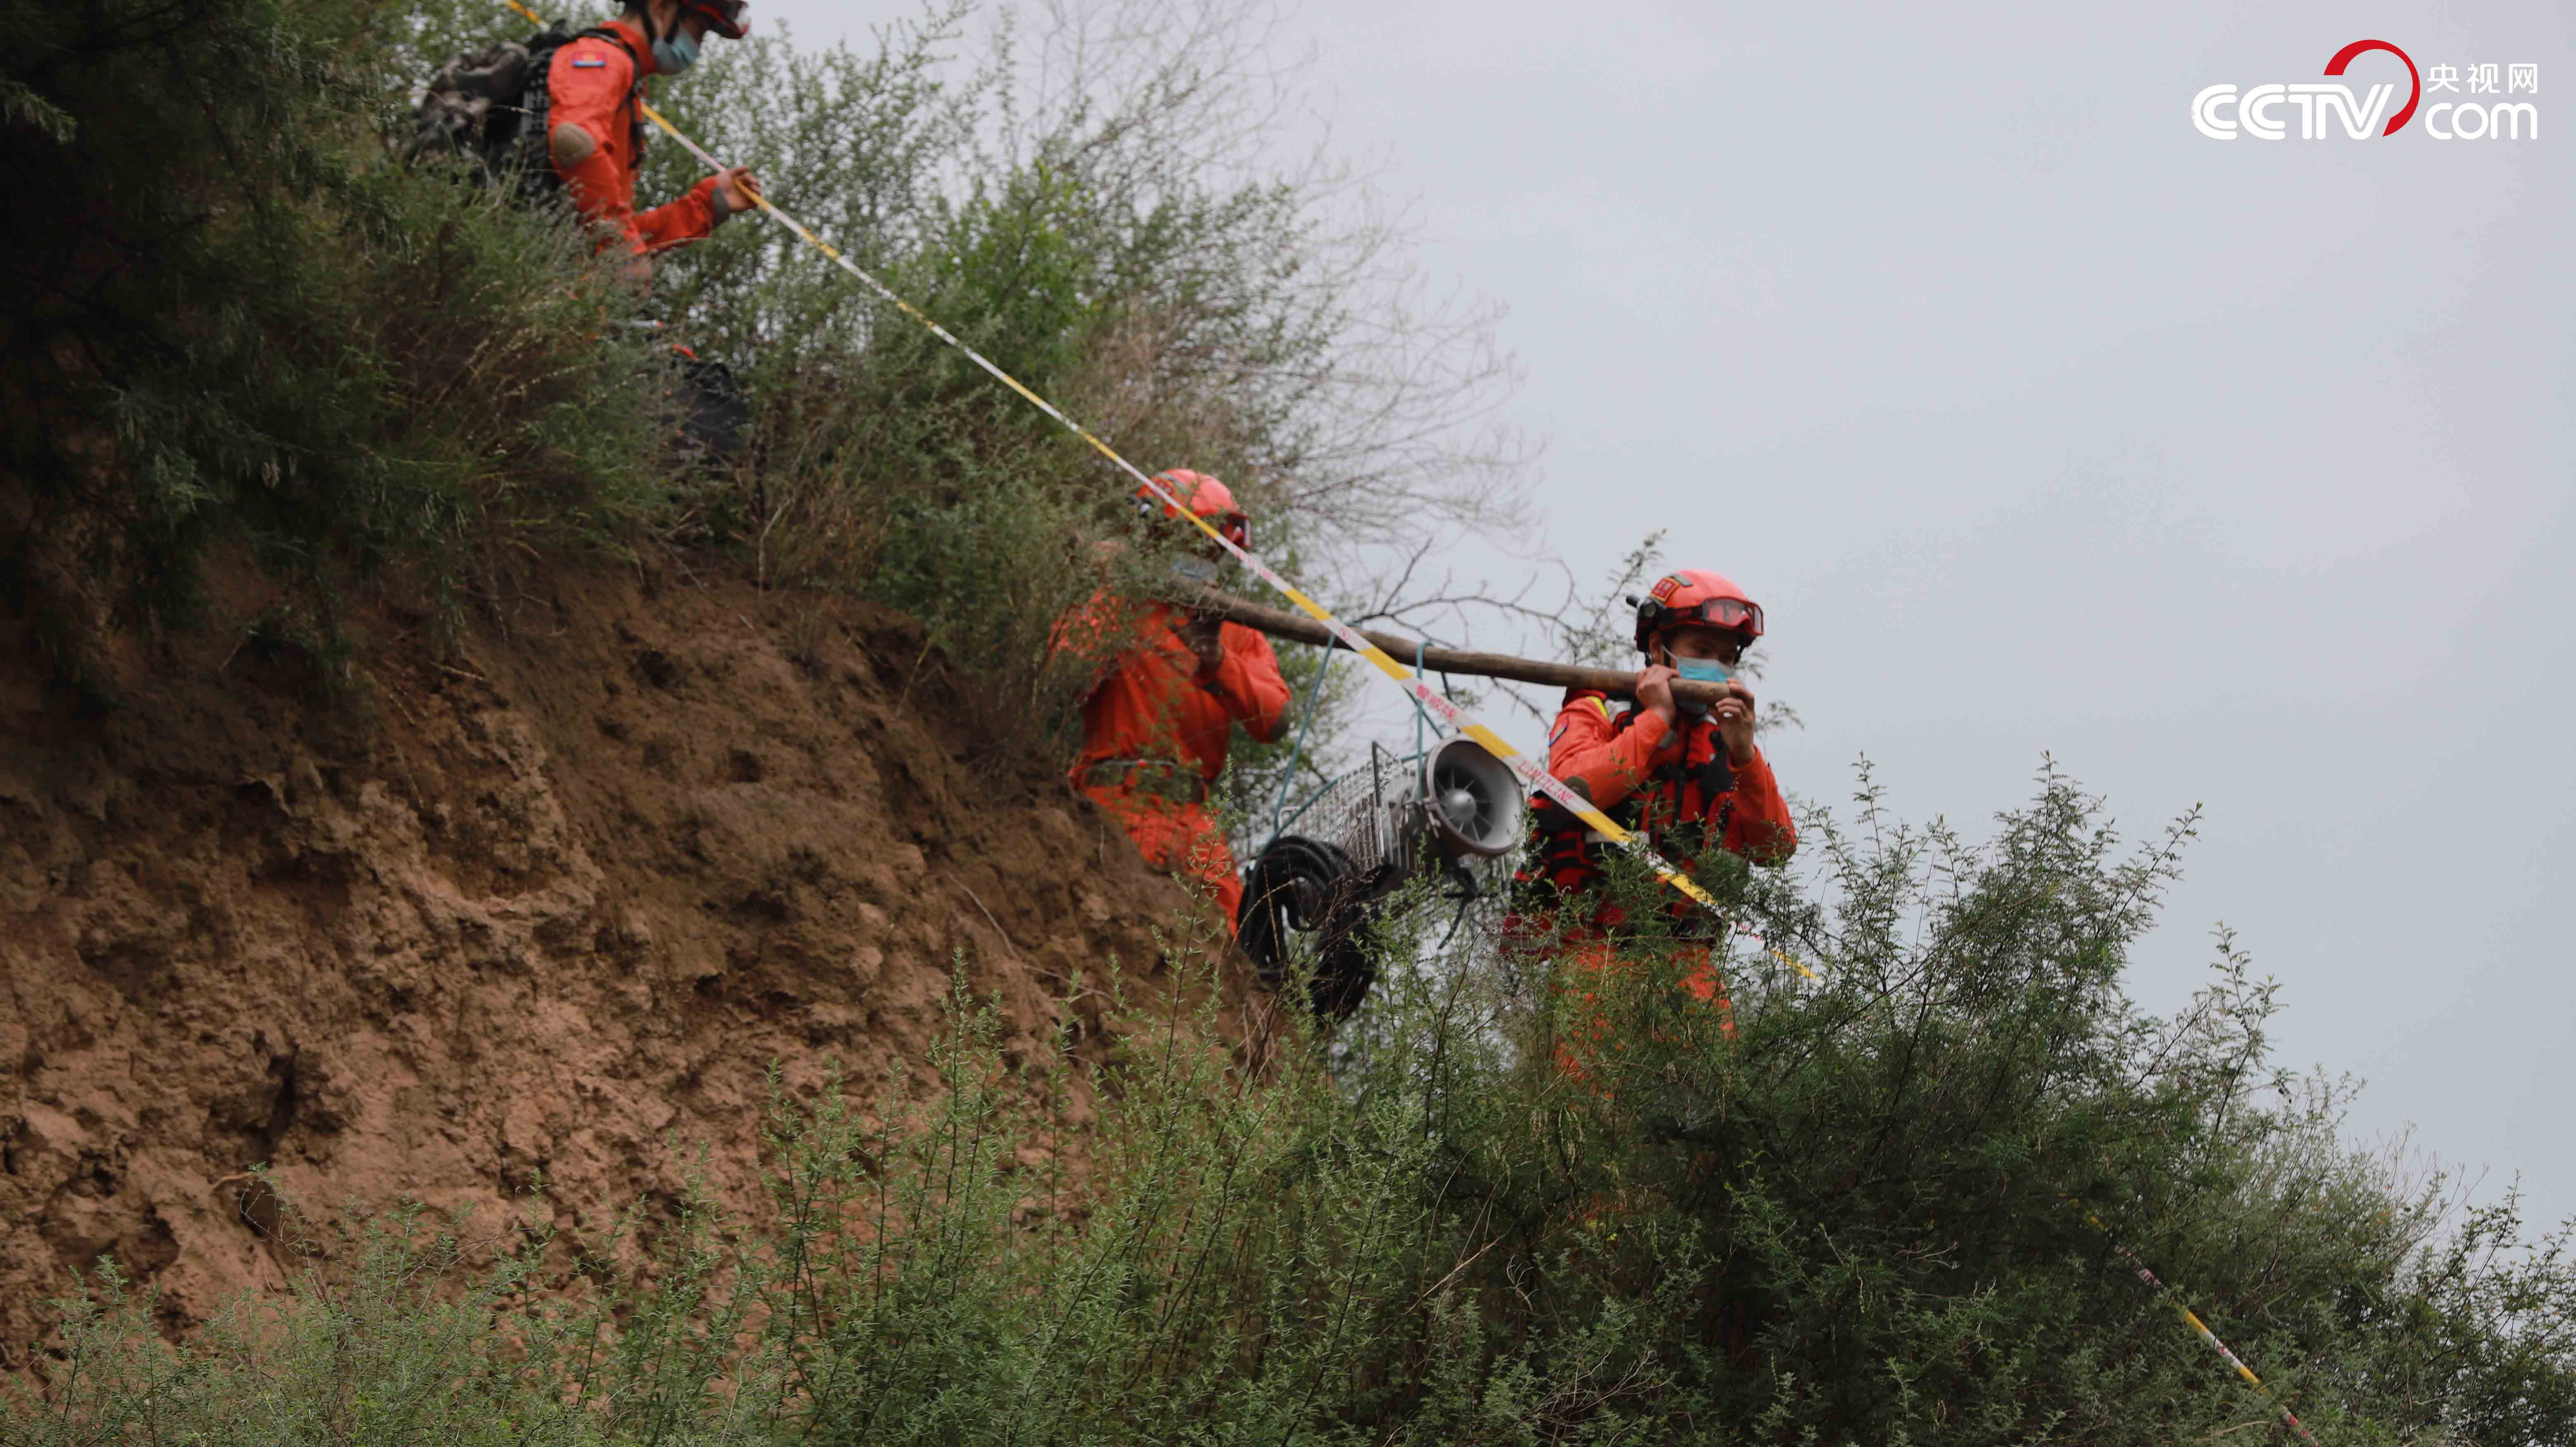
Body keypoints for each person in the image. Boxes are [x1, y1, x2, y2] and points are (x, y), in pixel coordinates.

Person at [1510, 568, 1797, 1061]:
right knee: (1590, 1119)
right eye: (1702, 652)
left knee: (1710, 1115)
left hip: (1692, 961)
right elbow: (1574, 791)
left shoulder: (1727, 743)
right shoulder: (1595, 710)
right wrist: (1656, 719)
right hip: (1596, 955)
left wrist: (1746, 754)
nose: (1716, 667)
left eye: (1726, 658)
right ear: (1660, 646)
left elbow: (1775, 848)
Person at [1054, 472, 1291, 929]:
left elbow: (1276, 720)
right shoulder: (1109, 600)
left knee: (1235, 957)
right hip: (1111, 805)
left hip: (1195, 819)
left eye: (1212, 548)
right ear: (1152, 535)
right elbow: (1065, 677)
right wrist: (1118, 595)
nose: (1202, 557)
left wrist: (1219, 661)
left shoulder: (1231, 627)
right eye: (1191, 541)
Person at [541, 0, 761, 262]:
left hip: (556, 273)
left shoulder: (626, 79)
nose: (697, 47)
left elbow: (606, 234)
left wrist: (706, 206)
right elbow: (574, 142)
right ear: (661, 7)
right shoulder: (604, 58)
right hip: (533, 272)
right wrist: (622, 248)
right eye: (699, 30)